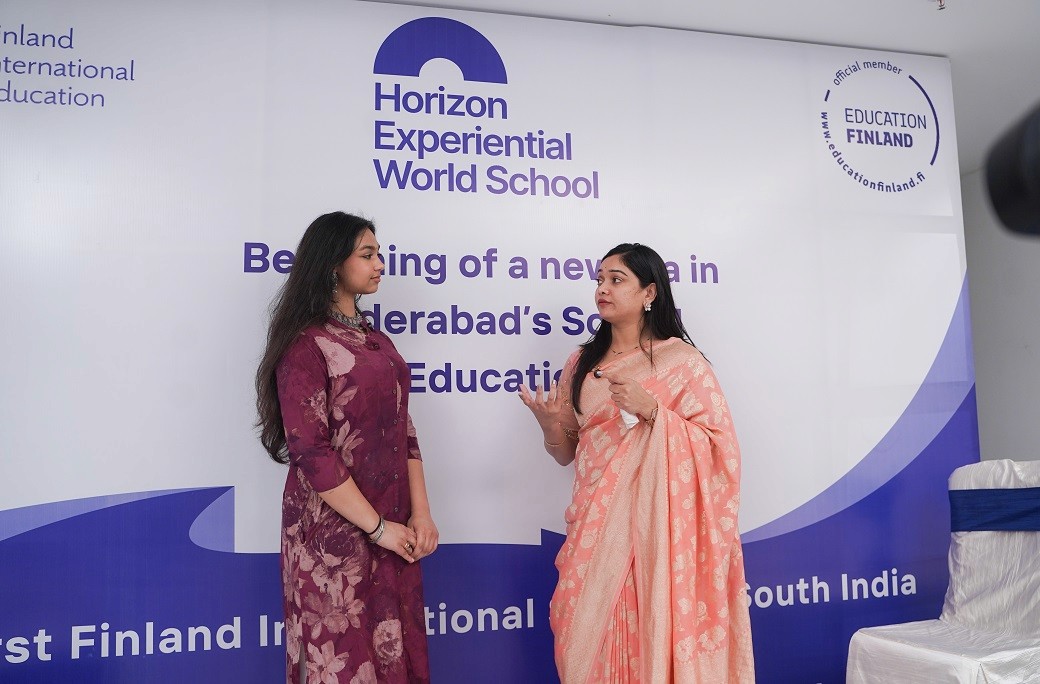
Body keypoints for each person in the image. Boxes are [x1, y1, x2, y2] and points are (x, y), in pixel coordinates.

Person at [519, 243, 755, 683]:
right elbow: (566, 452)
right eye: (599, 280)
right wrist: (550, 426)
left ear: (649, 292)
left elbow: (721, 450)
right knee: (580, 638)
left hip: (653, 534)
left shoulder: (683, 363)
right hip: (594, 528)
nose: (602, 289)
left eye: (616, 280)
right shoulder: (581, 363)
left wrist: (653, 412)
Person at [256, 211, 437, 684]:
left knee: (396, 652)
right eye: (367, 254)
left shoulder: (377, 340)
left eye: (379, 253)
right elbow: (311, 451)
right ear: (334, 263)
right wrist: (377, 529)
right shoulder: (306, 343)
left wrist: (420, 514)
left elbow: (403, 428)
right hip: (332, 534)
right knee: (342, 659)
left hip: (393, 524)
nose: (380, 264)